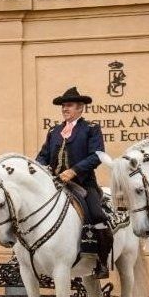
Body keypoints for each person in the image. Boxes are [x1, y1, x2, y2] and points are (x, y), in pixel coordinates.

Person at [34, 86, 113, 277]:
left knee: (97, 216)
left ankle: (101, 262)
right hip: (55, 183)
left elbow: (97, 155)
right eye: (63, 106)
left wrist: (74, 171)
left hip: (84, 184)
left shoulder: (91, 129)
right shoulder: (55, 131)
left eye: (68, 105)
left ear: (80, 108)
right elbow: (43, 156)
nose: (64, 109)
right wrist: (40, 168)